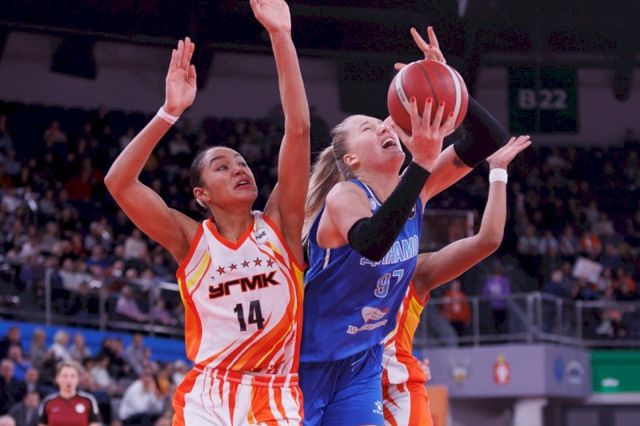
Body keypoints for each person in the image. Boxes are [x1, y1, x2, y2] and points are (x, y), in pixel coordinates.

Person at [104, 0, 310, 423]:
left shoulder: (281, 225)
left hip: (275, 394)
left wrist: (281, 37)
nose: (239, 169)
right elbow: (119, 183)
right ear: (201, 195)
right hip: (208, 395)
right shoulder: (191, 240)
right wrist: (169, 113)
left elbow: (299, 130)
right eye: (222, 166)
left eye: (242, 163)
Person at [300, 25, 510, 425]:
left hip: (362, 363)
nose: (385, 127)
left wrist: (450, 85)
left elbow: (489, 139)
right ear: (351, 160)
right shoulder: (346, 196)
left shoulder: (417, 187)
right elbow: (372, 241)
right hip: (307, 359)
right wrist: (423, 164)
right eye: (369, 128)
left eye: (384, 123)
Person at [382, 135, 531, 426]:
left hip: (396, 390)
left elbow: (488, 240)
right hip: (344, 387)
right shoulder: (337, 262)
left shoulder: (415, 270)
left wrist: (498, 171)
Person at [38, 361, 101, 426]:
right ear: (57, 379)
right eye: (65, 376)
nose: (69, 380)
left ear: (78, 379)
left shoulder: (88, 400)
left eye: (73, 376)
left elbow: (95, 424)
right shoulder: (48, 402)